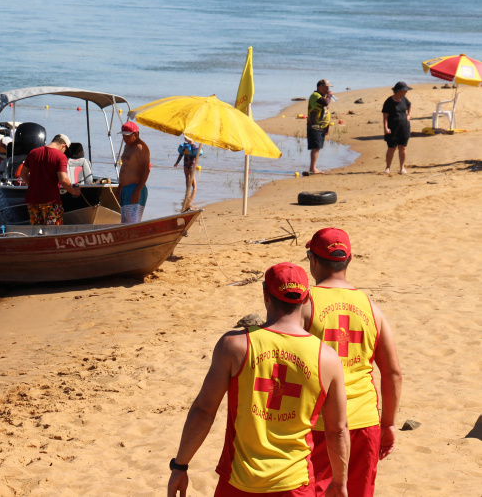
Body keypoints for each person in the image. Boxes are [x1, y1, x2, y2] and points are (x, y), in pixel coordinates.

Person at [166, 262, 350, 497]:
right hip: (294, 484)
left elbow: (204, 410)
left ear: (265, 294)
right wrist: (339, 482)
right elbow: (338, 430)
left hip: (238, 481)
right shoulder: (327, 358)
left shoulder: (235, 346)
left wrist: (180, 466)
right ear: (306, 300)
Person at [304, 228, 403, 497]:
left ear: (312, 259)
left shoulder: (305, 304)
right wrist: (389, 423)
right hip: (365, 421)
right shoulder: (372, 307)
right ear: (349, 260)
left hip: (319, 423)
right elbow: (393, 372)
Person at [20, 134, 80, 225]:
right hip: (50, 202)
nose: (64, 153)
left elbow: (23, 174)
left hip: (32, 202)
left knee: (36, 231)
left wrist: (33, 186)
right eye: (66, 150)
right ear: (63, 146)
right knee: (54, 232)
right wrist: (73, 191)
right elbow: (63, 179)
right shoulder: (60, 156)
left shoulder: (33, 152)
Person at [117, 121, 150, 223]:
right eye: (123, 136)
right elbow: (126, 168)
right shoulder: (127, 146)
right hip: (125, 189)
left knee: (132, 222)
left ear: (135, 134)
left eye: (127, 136)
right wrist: (120, 188)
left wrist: (138, 190)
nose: (124, 139)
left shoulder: (140, 147)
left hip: (135, 189)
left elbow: (146, 169)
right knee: (124, 222)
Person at [381, 82, 412, 175]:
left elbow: (410, 105)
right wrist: (385, 128)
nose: (406, 91)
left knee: (403, 147)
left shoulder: (404, 99)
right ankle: (387, 167)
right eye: (404, 90)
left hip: (404, 126)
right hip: (392, 127)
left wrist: (409, 115)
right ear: (399, 90)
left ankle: (402, 168)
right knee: (391, 148)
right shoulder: (389, 101)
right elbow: (385, 116)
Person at [307, 80, 334, 174]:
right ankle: (312, 168)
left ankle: (313, 168)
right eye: (326, 87)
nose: (328, 89)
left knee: (317, 147)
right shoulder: (315, 96)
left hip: (321, 126)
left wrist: (327, 127)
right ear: (320, 86)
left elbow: (325, 112)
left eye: (329, 88)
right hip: (315, 126)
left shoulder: (322, 97)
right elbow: (326, 102)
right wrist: (329, 95)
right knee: (315, 147)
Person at [173, 137, 202, 212]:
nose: (188, 140)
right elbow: (181, 155)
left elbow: (197, 155)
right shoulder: (185, 146)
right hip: (185, 163)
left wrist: (196, 162)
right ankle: (187, 189)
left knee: (192, 177)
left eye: (190, 139)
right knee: (187, 177)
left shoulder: (194, 147)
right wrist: (177, 163)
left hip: (192, 164)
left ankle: (194, 189)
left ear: (194, 140)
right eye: (187, 138)